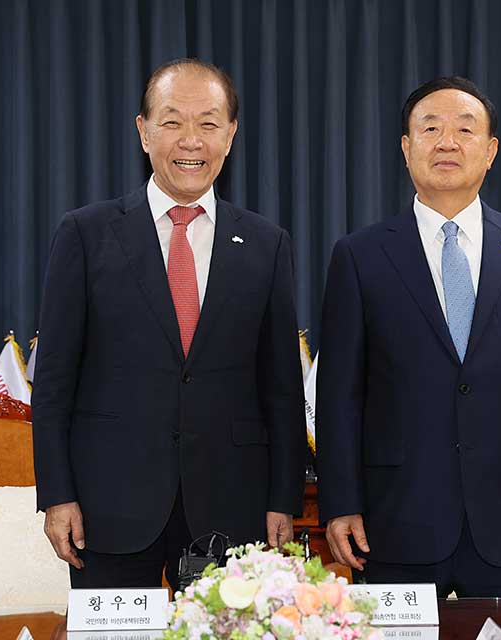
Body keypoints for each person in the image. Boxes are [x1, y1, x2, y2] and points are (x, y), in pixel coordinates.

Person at [32, 59, 306, 590]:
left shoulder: (267, 245)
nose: (191, 140)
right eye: (172, 121)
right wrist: (57, 495)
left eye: (208, 124)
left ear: (230, 136)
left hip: (232, 505)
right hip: (108, 504)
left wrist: (283, 499)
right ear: (143, 131)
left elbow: (281, 390)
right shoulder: (86, 235)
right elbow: (54, 384)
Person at [316, 76, 501, 599]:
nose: (447, 142)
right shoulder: (360, 255)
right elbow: (339, 395)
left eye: (465, 130)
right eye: (431, 128)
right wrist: (342, 502)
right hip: (392, 520)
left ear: (489, 152)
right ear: (405, 147)